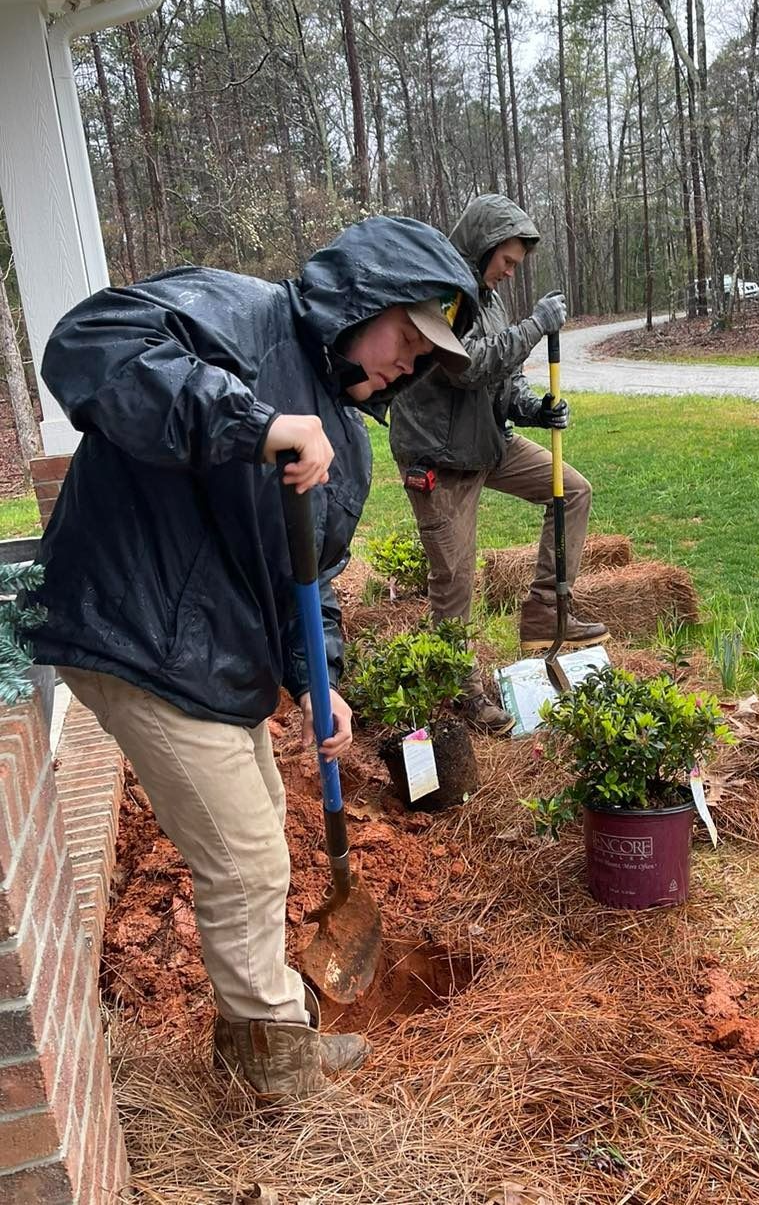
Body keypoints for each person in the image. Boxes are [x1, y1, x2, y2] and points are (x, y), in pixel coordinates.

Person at [28, 217, 477, 1101]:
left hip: (210, 654)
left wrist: (320, 680)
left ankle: (253, 1037)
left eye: (427, 357)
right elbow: (85, 345)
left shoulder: (343, 441)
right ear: (367, 296)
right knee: (243, 859)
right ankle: (279, 1073)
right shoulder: (239, 313)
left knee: (264, 824)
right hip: (135, 624)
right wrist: (255, 421)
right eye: (406, 337)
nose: (407, 365)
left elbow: (313, 579)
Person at [390, 194, 608, 736]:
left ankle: (544, 611)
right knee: (455, 581)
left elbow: (502, 379)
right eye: (506, 261)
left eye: (516, 265)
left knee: (571, 491)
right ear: (483, 246)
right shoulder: (442, 294)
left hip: (486, 443)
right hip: (439, 457)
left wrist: (533, 407)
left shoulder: (487, 298)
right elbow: (466, 368)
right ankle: (460, 694)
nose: (510, 273)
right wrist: (536, 325)